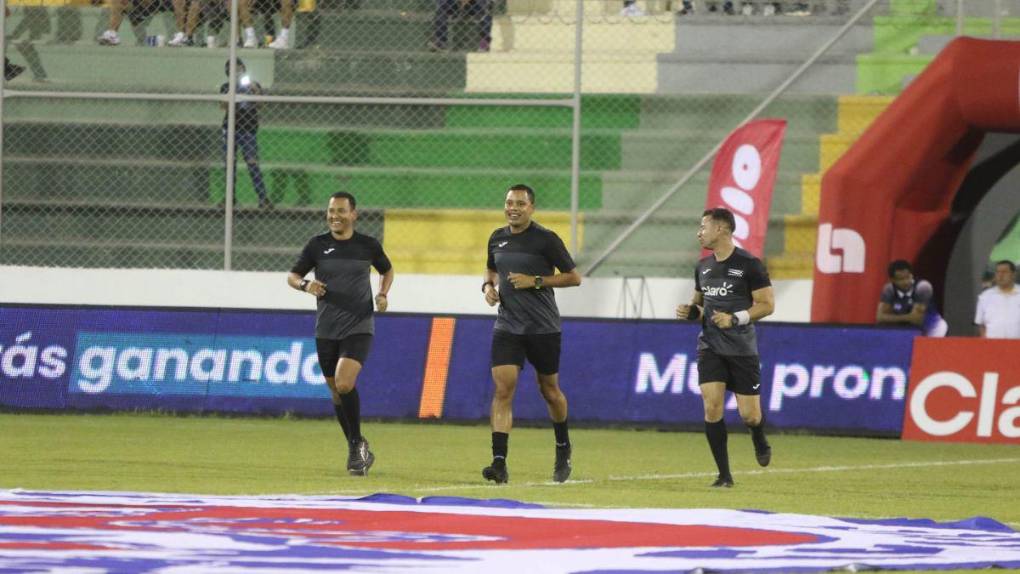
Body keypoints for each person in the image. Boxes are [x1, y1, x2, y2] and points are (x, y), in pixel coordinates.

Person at [287, 191, 394, 475]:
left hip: (359, 325)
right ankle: (357, 447)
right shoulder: (317, 245)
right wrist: (305, 285)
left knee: (345, 383)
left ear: (353, 215)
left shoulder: (368, 245)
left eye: (341, 211)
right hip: (326, 328)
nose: (335, 216)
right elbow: (292, 276)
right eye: (331, 211)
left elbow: (387, 269)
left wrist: (382, 293)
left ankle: (356, 444)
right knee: (336, 392)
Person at [481, 183, 582, 484]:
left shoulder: (546, 240)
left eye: (520, 204)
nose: (513, 208)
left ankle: (563, 445)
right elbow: (490, 270)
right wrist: (487, 287)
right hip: (508, 326)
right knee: (503, 390)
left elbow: (574, 277)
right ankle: (499, 463)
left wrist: (535, 280)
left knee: (549, 390)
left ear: (531, 208)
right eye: (509, 202)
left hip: (543, 327)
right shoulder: (496, 238)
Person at [676, 207, 774, 488]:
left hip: (742, 348)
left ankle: (758, 435)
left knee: (749, 415)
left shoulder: (749, 264)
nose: (699, 232)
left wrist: (736, 318)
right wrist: (690, 311)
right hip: (710, 346)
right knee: (712, 406)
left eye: (703, 226)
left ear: (721, 229)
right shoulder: (702, 267)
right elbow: (700, 305)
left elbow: (767, 305)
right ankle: (724, 475)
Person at [220, 58, 271, 209]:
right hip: (230, 129)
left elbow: (261, 105)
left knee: (252, 164)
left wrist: (255, 90)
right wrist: (232, 92)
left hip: (249, 130)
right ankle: (229, 199)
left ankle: (263, 198)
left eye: (239, 68)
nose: (236, 71)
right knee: (230, 165)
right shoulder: (226, 87)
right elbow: (223, 106)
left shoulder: (253, 85)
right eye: (233, 69)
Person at [876, 259, 947, 337]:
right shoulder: (889, 290)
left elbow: (916, 319)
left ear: (912, 275)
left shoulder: (923, 287)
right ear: (892, 280)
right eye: (901, 279)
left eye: (908, 277)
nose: (906, 282)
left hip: (934, 329)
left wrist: (891, 317)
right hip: (910, 330)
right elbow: (880, 318)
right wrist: (907, 317)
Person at [975, 260, 1020, 339]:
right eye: (998, 272)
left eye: (1004, 272)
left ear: (1013, 274)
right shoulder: (985, 297)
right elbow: (981, 324)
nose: (1000, 275)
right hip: (993, 346)